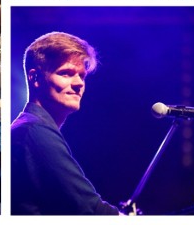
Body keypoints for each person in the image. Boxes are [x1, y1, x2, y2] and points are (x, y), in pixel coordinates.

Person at [11, 31, 121, 215]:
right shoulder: (35, 132)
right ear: (35, 78)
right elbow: (91, 210)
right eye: (66, 73)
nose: (79, 83)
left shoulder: (31, 127)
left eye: (82, 76)